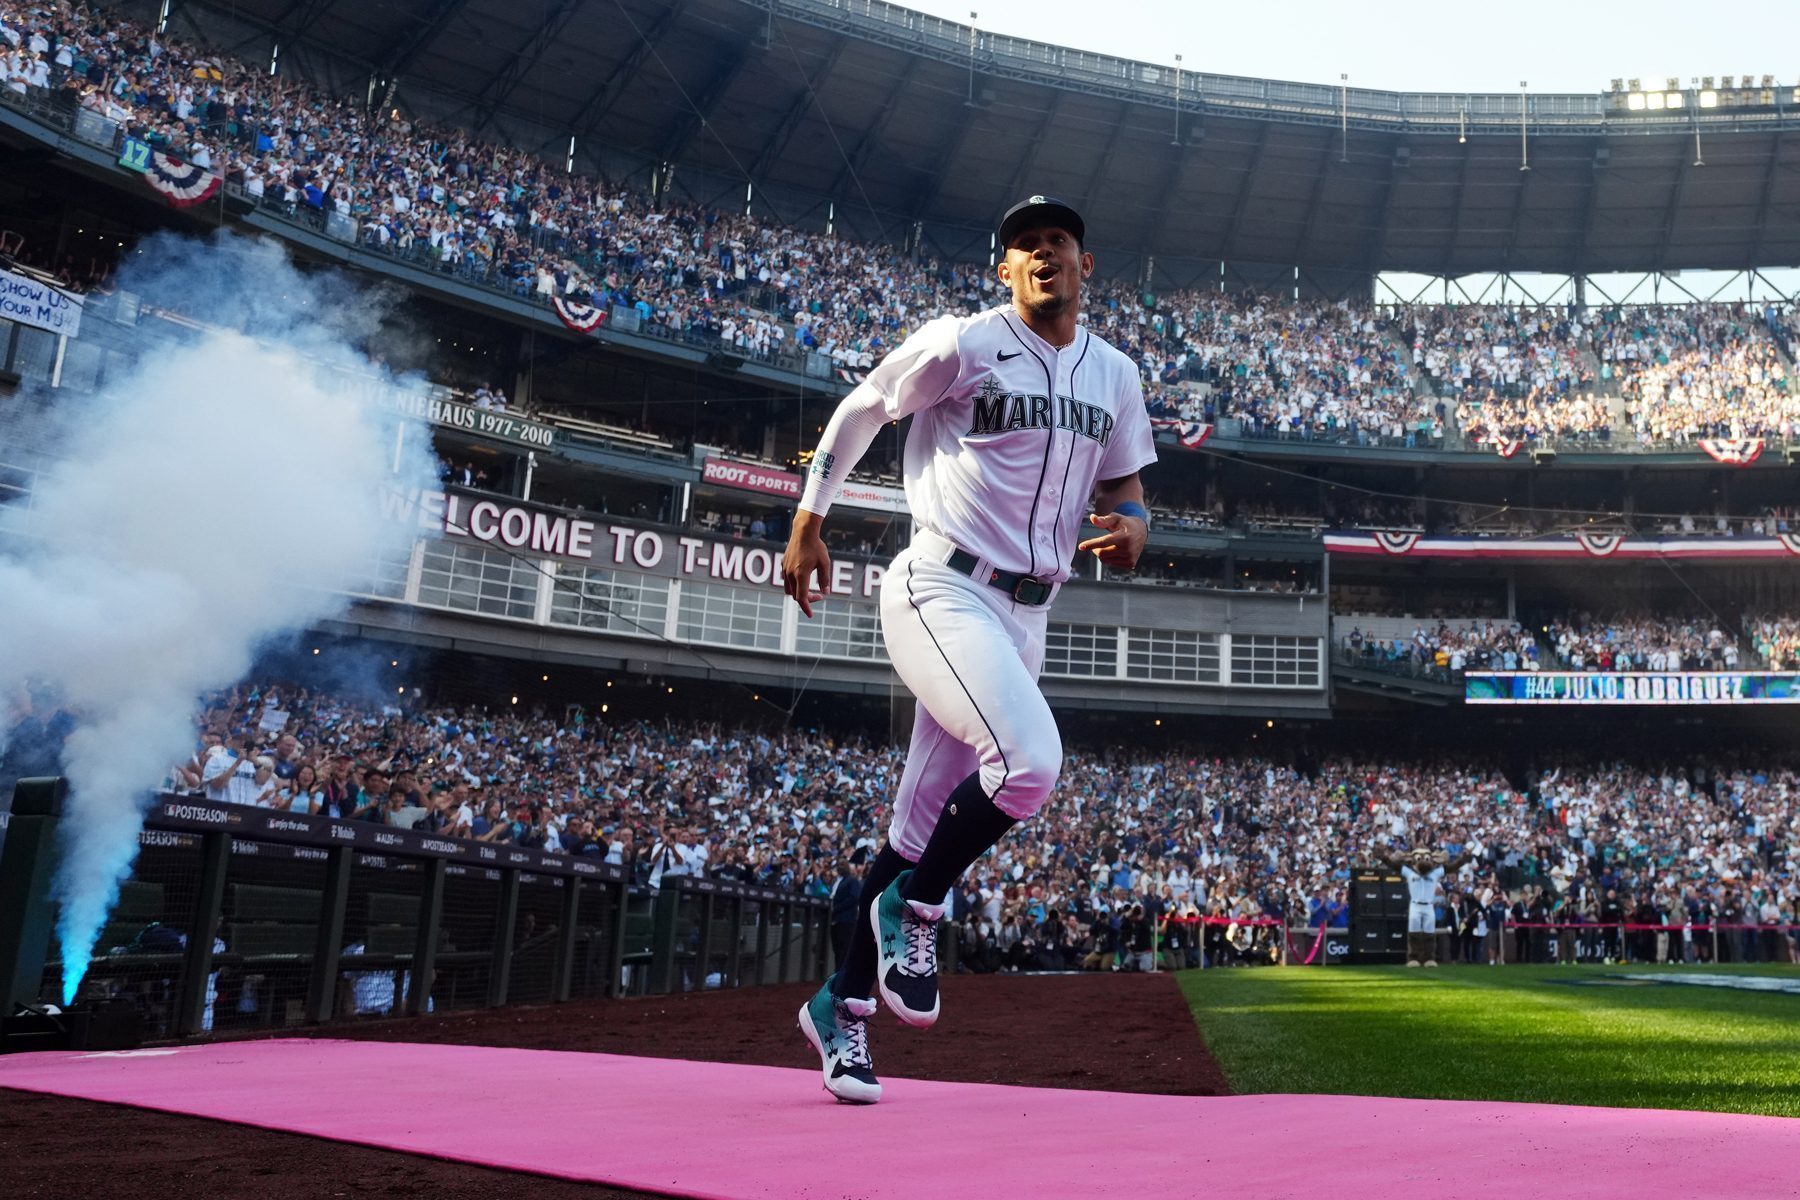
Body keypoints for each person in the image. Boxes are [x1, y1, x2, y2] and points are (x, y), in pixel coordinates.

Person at [785, 195, 1155, 1104]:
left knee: (912, 834)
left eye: (1057, 242)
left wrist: (1137, 520)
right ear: (1004, 268)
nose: (1042, 254)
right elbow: (868, 405)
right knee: (1029, 766)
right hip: (941, 583)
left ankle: (841, 1008)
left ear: (1084, 263)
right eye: (1024, 245)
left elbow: (1129, 483)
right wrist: (808, 518)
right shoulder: (962, 342)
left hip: (1028, 612)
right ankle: (917, 907)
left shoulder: (1116, 374)